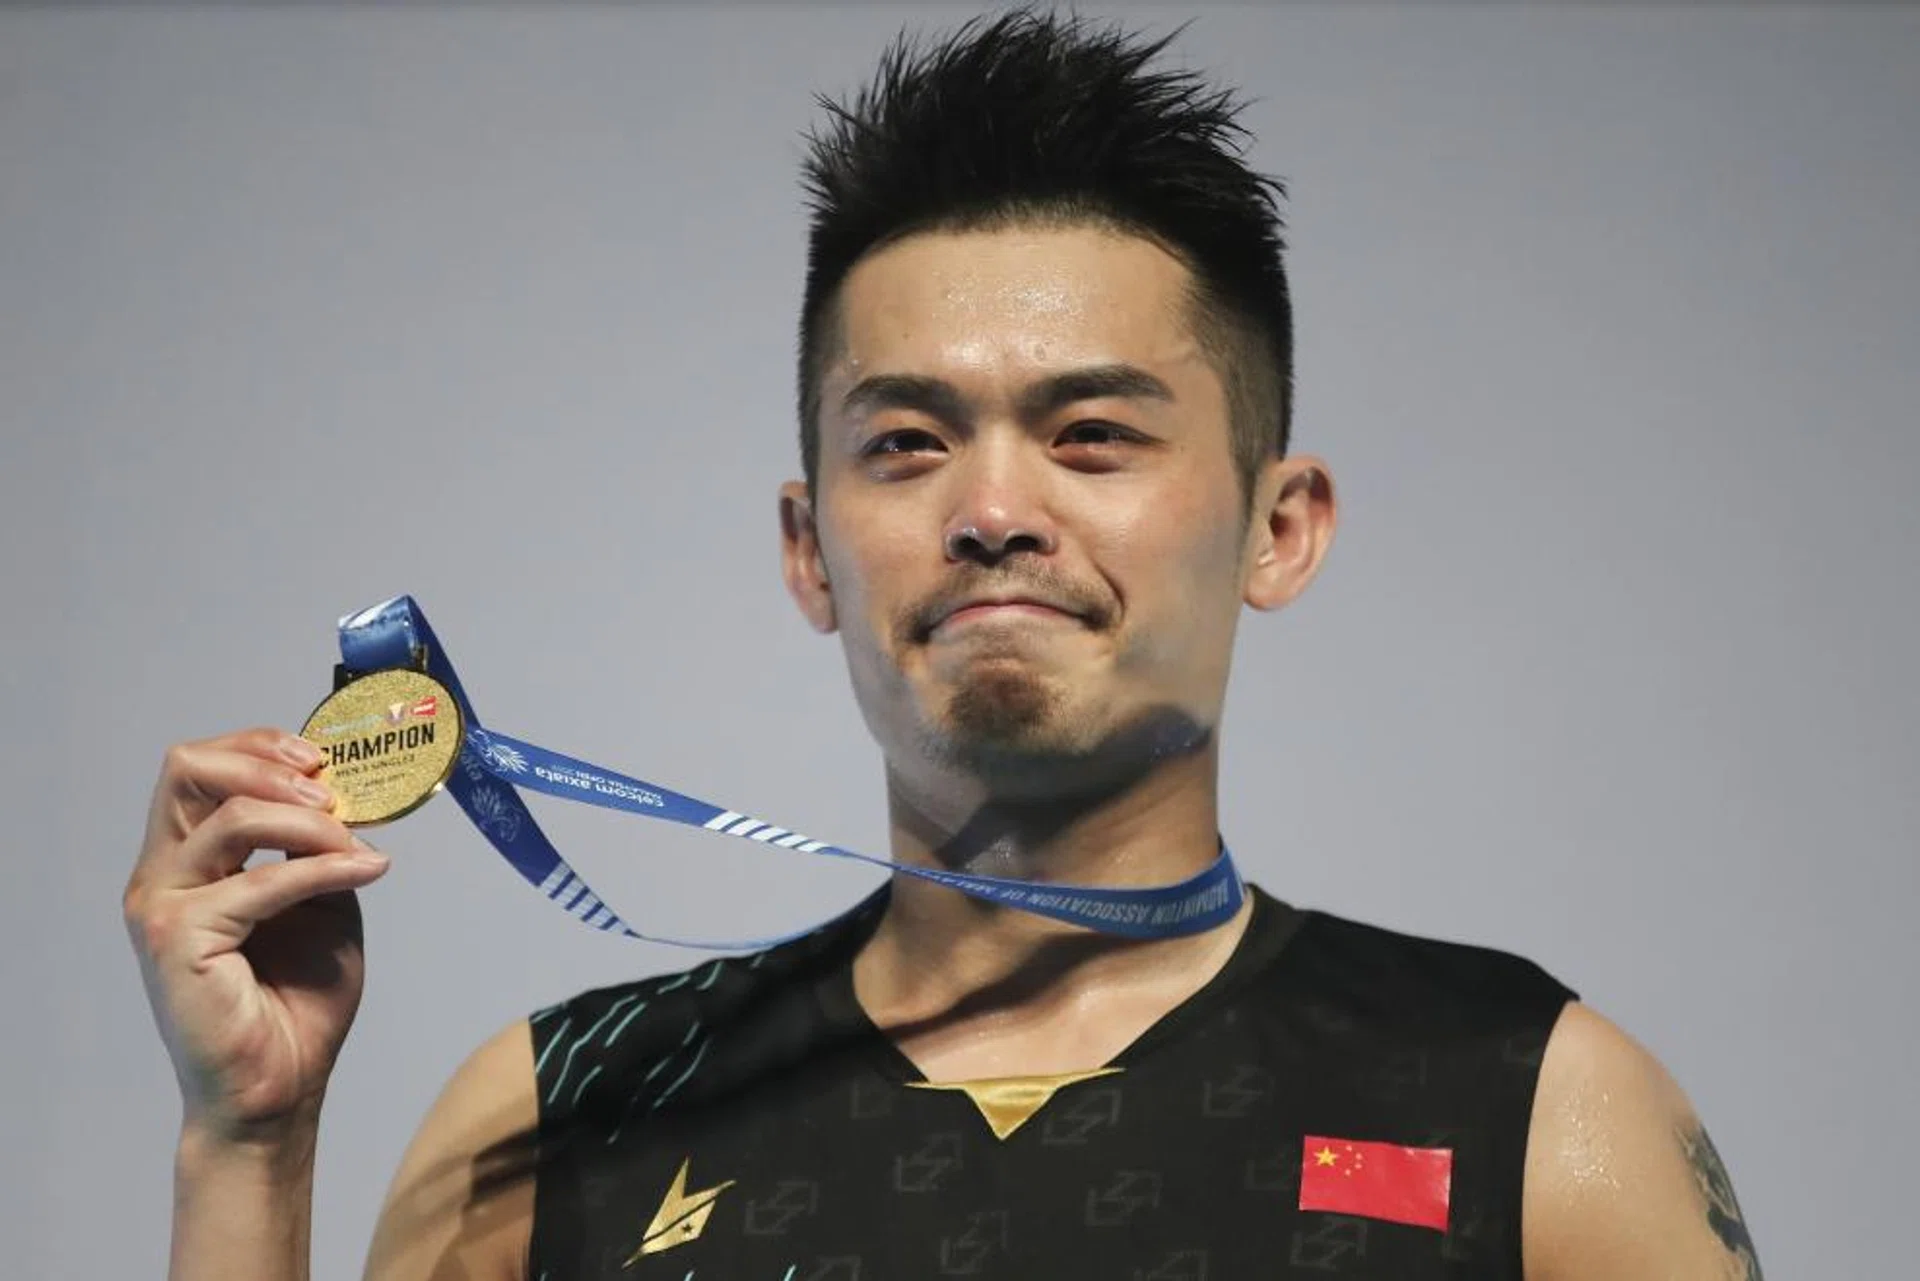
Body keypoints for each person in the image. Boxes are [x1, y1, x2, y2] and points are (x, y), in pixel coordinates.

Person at [124, 12, 1764, 1281]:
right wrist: (250, 1149)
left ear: (1281, 525)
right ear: (808, 549)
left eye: (1095, 434)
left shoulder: (1531, 1104)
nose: (991, 508)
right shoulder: (563, 1119)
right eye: (906, 442)